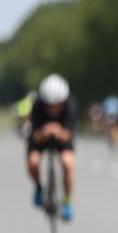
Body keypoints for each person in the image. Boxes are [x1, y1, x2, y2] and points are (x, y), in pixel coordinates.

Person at [27, 74, 77, 221]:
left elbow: (68, 135)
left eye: (57, 104)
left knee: (67, 163)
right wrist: (44, 132)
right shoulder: (37, 106)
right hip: (41, 137)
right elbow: (34, 136)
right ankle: (38, 187)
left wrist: (58, 131)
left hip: (62, 137)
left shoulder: (71, 106)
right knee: (33, 162)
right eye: (49, 104)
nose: (53, 108)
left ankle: (67, 201)